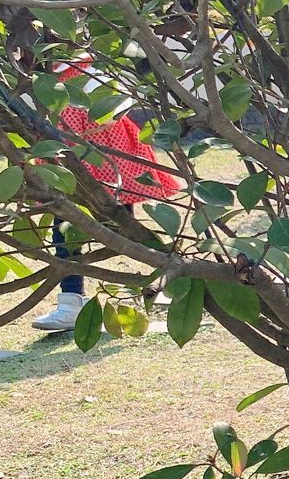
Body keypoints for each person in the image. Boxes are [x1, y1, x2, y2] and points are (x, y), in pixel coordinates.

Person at [31, 59, 183, 331]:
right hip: (71, 154)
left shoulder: (90, 67)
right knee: (66, 226)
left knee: (124, 227)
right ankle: (70, 302)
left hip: (104, 153)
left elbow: (113, 109)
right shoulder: (39, 72)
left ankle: (177, 276)